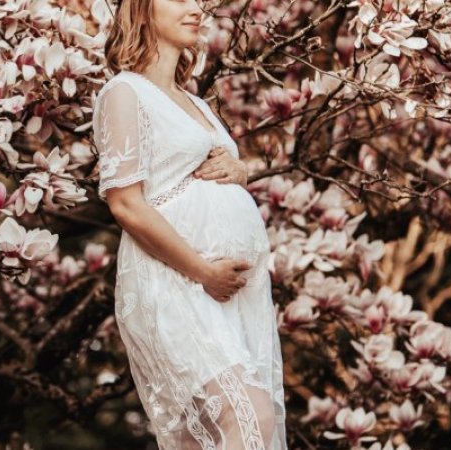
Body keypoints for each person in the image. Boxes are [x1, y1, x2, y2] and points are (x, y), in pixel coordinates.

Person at [91, 0, 287, 448]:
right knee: (248, 416)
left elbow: (209, 169)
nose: (196, 7)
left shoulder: (196, 102)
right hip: (175, 282)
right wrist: (203, 271)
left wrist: (241, 171)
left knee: (230, 430)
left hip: (231, 294)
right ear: (141, 9)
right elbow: (125, 204)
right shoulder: (124, 92)